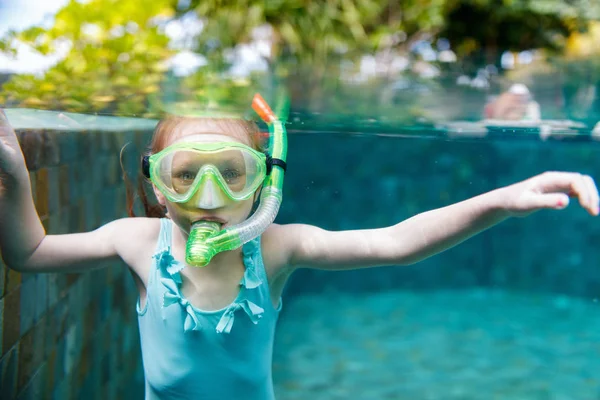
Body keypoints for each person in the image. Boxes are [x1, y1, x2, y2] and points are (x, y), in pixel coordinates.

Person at [0, 94, 598, 400]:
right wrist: (17, 179)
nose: (209, 195)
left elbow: (396, 243)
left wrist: (500, 198)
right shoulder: (135, 241)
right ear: (157, 184)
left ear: (264, 179)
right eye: (187, 174)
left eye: (230, 172)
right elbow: (29, 254)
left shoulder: (277, 248)